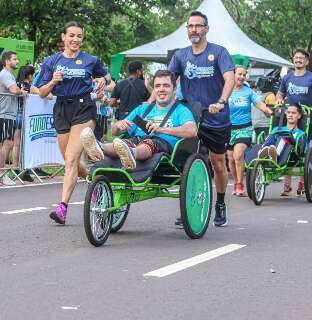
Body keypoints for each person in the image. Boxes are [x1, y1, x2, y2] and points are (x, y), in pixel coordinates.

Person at [37, 21, 108, 225]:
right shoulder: (51, 61)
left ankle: (62, 209)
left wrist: (103, 81)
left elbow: (108, 79)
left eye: (79, 36)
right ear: (63, 37)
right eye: (72, 36)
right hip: (61, 109)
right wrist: (53, 81)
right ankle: (97, 185)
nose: (75, 40)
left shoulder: (90, 60)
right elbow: (42, 92)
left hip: (84, 108)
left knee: (70, 159)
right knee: (73, 163)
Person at [169, 11, 235, 227]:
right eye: (190, 26)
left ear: (206, 28)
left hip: (216, 117)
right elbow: (166, 81)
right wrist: (153, 104)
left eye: (198, 26)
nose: (194, 30)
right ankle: (189, 208)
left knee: (217, 163)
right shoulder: (180, 55)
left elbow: (229, 78)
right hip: (190, 118)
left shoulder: (219, 52)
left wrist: (222, 101)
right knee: (187, 163)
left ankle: (221, 203)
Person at [80, 70, 197, 169]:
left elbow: (192, 131)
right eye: (157, 86)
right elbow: (115, 132)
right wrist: (119, 124)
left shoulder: (181, 110)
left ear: (174, 89)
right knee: (125, 142)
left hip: (162, 145)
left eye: (166, 86)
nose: (161, 89)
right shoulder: (143, 109)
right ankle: (99, 147)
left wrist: (160, 129)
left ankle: (132, 153)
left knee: (150, 142)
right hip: (137, 140)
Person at [276, 48, 312, 196]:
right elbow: (280, 94)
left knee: (303, 149)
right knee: (287, 144)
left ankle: (302, 184)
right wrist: (279, 100)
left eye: (301, 58)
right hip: (288, 116)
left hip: (305, 118)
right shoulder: (287, 77)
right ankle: (287, 186)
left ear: (307, 61)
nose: (298, 60)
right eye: (296, 57)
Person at [228, 66, 272, 196]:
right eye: (239, 74)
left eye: (244, 74)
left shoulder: (248, 92)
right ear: (233, 75)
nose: (242, 77)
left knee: (238, 155)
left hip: (244, 128)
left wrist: (267, 110)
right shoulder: (226, 90)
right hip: (228, 130)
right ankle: (236, 182)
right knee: (230, 159)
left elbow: (258, 103)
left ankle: (240, 184)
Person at [0, 51, 28, 185]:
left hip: (7, 114)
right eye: (14, 59)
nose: (17, 61)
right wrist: (23, 91)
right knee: (7, 144)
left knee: (7, 144)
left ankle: (2, 174)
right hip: (4, 114)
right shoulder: (5, 74)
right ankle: (2, 174)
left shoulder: (8, 74)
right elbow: (14, 90)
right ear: (7, 61)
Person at [257, 104, 306, 171]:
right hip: (271, 146)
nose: (290, 115)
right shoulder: (276, 129)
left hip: (289, 152)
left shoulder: (301, 133)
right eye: (288, 112)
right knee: (272, 135)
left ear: (299, 116)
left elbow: (302, 149)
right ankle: (263, 151)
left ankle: (274, 154)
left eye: (293, 113)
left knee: (283, 137)